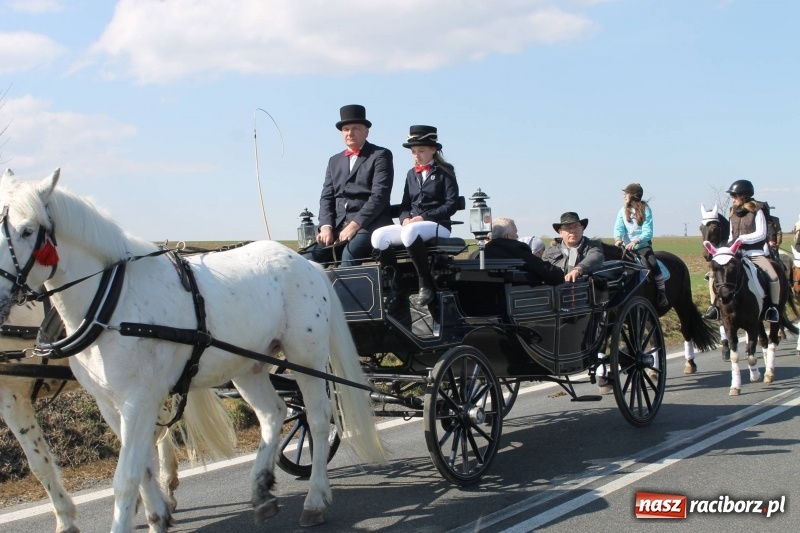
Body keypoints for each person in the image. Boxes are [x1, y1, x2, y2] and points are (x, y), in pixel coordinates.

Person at [370, 125, 459, 306]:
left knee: (409, 232)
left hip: (438, 225)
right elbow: (405, 205)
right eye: (413, 151)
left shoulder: (446, 172)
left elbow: (451, 204)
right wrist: (404, 218)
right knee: (378, 236)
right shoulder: (411, 174)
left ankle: (425, 283)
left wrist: (423, 218)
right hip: (412, 225)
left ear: (433, 150)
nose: (416, 155)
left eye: (421, 151)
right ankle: (397, 283)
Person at [304, 104, 394, 267]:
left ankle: (345, 293)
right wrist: (325, 227)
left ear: (366, 131)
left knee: (349, 254)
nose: (350, 133)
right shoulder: (334, 161)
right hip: (338, 225)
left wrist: (354, 225)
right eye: (346, 129)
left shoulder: (380, 155)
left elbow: (379, 197)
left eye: (355, 129)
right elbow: (326, 198)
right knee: (308, 258)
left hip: (369, 225)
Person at [705, 179, 780, 322]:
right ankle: (714, 307)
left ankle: (773, 308)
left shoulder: (757, 210)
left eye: (734, 196)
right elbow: (731, 235)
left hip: (755, 253)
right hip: (736, 253)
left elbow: (762, 233)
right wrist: (727, 246)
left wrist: (742, 239)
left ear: (744, 196)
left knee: (773, 277)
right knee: (712, 275)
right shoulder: (732, 212)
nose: (732, 199)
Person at [613, 183, 668, 308]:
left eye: (625, 193)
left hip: (642, 246)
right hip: (625, 247)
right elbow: (619, 228)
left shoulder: (646, 210)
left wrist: (636, 241)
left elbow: (648, 231)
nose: (623, 196)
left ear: (632, 195)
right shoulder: (622, 211)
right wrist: (617, 239)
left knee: (653, 264)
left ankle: (661, 293)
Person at [484, 218, 564, 286]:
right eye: (515, 232)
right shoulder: (516, 249)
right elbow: (552, 274)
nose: (518, 236)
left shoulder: (481, 253)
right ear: (507, 236)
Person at [542, 212, 604, 282]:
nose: (573, 231)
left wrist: (578, 269)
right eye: (568, 228)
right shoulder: (549, 252)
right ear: (560, 232)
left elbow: (596, 257)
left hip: (584, 289)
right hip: (558, 290)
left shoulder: (592, 245)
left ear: (582, 229)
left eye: (576, 226)